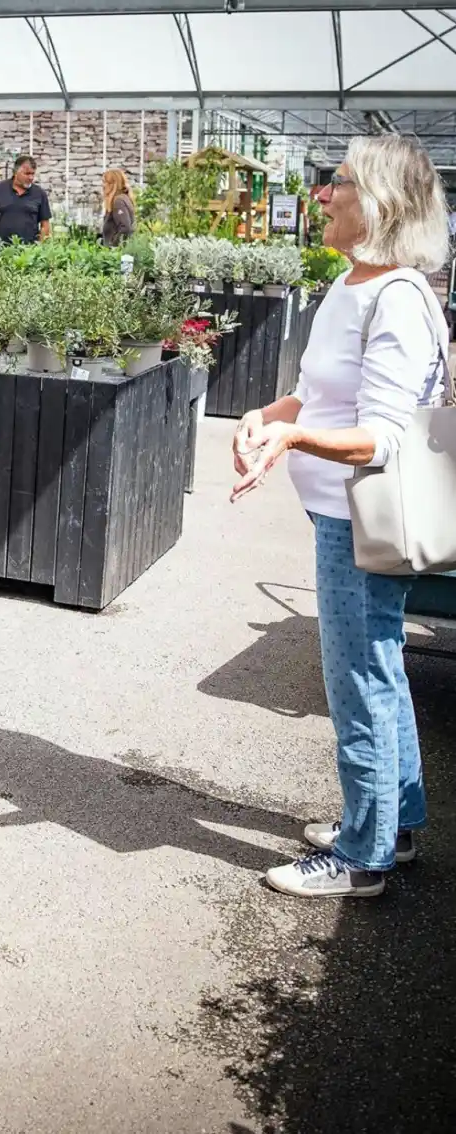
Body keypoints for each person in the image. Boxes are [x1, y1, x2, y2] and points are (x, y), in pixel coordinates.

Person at [230, 134, 450, 899]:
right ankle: (396, 822)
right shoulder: (355, 285)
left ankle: (361, 855)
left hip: (360, 519)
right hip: (340, 513)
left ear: (380, 204)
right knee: (377, 665)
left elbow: (381, 438)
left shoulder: (395, 299)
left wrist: (292, 436)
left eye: (340, 182)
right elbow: (317, 396)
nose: (322, 194)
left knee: (359, 677)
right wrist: (271, 415)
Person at [0, 154, 51, 252]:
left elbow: (45, 226)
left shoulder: (40, 194)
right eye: (27, 173)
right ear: (16, 173)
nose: (31, 177)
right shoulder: (0, 189)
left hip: (28, 254)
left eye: (33, 174)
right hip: (1, 251)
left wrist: (39, 249)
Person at [101, 168, 135, 246]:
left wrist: (114, 246)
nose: (103, 185)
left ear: (113, 184)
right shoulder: (123, 198)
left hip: (117, 253)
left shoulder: (118, 202)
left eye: (105, 182)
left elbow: (125, 228)